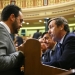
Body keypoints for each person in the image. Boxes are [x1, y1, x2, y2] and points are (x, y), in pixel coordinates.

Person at [0, 5, 24, 75]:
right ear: (12, 17)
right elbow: (1, 62)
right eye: (20, 20)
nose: (21, 25)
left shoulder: (4, 31)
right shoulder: (1, 30)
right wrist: (20, 54)